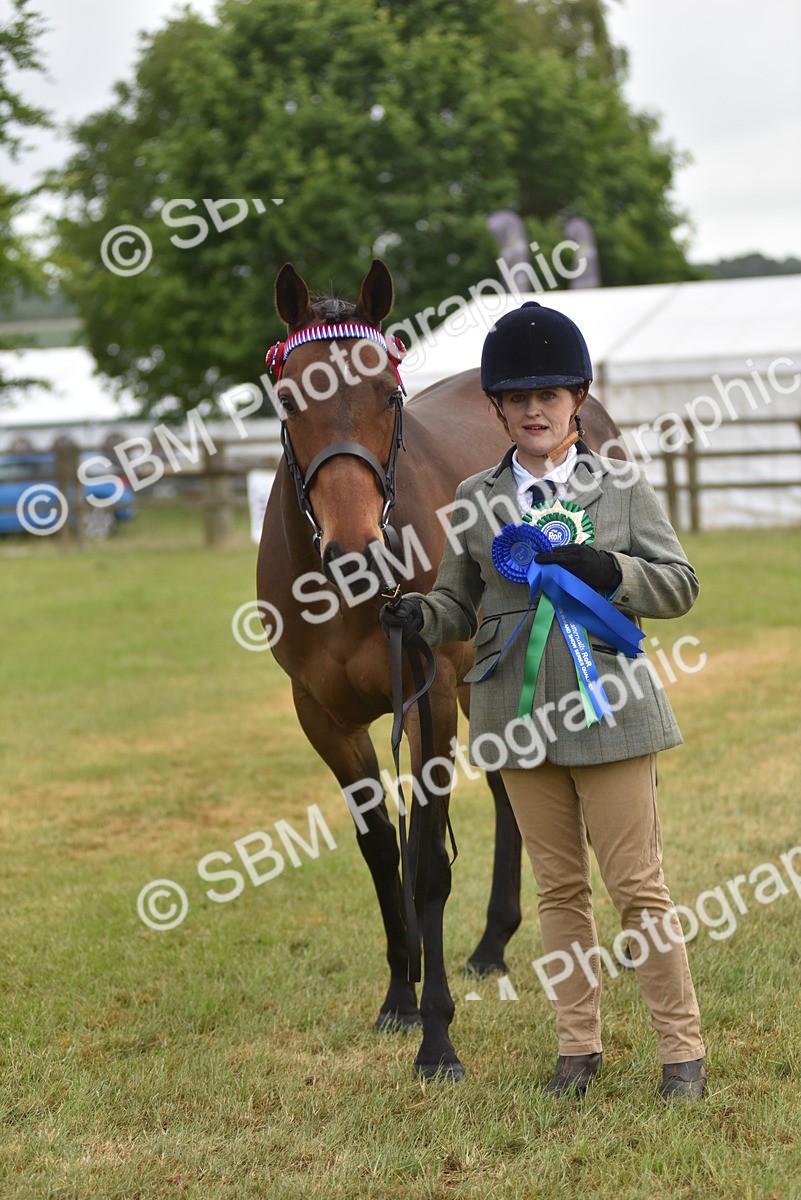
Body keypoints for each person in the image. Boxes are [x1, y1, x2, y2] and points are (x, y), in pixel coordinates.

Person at [380, 301, 706, 1102]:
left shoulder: (621, 488)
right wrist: (421, 616)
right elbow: (461, 604)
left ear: (576, 399)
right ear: (496, 407)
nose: (534, 409)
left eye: (550, 394)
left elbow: (679, 586)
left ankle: (681, 1053)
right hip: (514, 717)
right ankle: (576, 1049)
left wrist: (611, 572)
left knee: (637, 888)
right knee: (558, 892)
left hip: (609, 710)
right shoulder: (473, 495)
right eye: (518, 397)